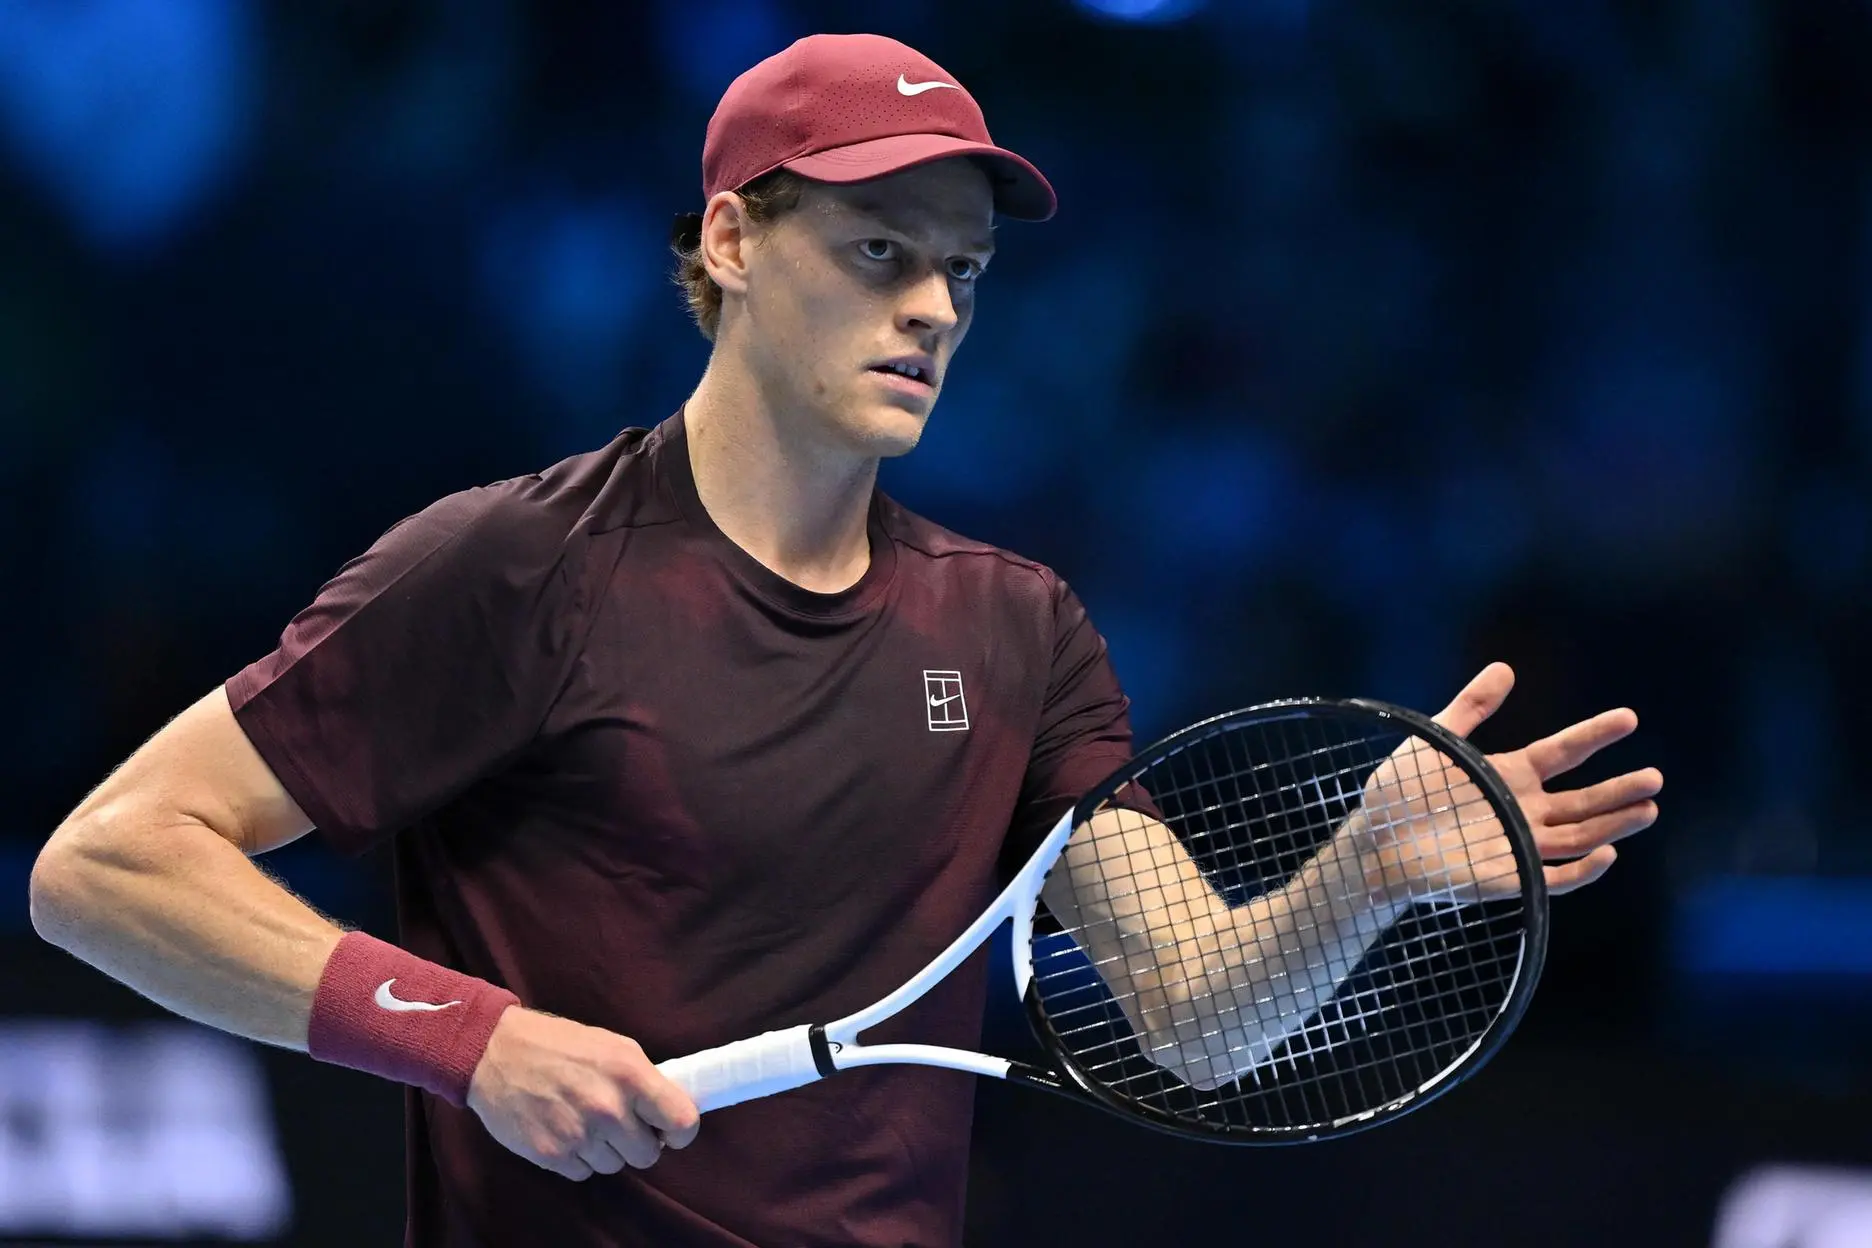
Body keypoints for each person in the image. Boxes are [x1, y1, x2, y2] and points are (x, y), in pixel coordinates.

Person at [26, 32, 1662, 1248]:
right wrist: (475, 1041)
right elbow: (106, 869)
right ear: (731, 244)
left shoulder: (1016, 629)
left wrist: (1353, 878)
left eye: (962, 269)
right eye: (880, 252)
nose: (937, 307)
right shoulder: (516, 568)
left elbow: (1192, 1018)